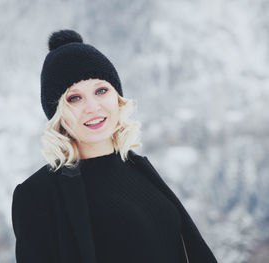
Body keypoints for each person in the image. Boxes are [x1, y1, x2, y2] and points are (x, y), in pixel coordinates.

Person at [11, 29, 218, 263]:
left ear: (117, 98)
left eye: (101, 90)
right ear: (58, 114)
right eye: (74, 98)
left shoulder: (138, 168)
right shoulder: (37, 194)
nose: (93, 107)